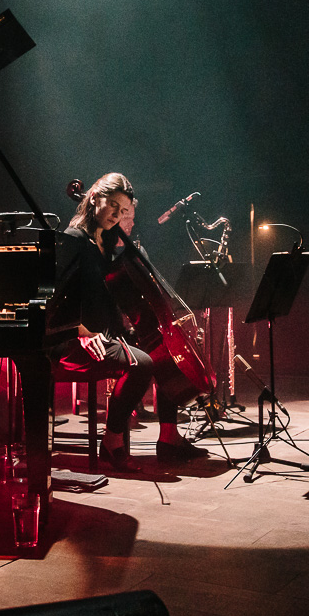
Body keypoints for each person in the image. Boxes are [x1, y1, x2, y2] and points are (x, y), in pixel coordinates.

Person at [50, 173, 206, 470]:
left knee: (163, 353)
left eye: (123, 211)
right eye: (113, 205)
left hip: (106, 333)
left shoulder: (107, 242)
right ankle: (112, 443)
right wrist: (81, 331)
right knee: (142, 363)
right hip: (73, 338)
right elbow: (55, 301)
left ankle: (169, 437)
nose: (117, 215)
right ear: (93, 198)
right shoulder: (73, 240)